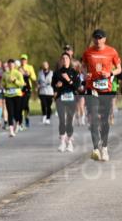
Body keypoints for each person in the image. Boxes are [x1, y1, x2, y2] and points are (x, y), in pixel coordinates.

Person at [81, 28, 121, 161]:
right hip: (92, 89)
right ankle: (95, 149)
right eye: (95, 38)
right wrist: (85, 74)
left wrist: (110, 74)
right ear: (93, 39)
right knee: (93, 118)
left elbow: (119, 68)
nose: (98, 40)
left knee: (104, 121)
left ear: (104, 39)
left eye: (100, 38)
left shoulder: (112, 51)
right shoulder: (88, 52)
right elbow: (82, 66)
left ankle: (104, 147)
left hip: (106, 90)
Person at [52, 52, 80, 152]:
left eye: (66, 58)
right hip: (60, 98)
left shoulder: (74, 72)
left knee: (69, 120)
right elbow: (53, 85)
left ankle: (70, 142)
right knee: (62, 120)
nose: (65, 60)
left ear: (69, 60)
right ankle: (62, 143)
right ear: (61, 60)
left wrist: (68, 80)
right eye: (63, 58)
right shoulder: (57, 73)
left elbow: (76, 86)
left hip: (71, 98)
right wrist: (56, 86)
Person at [1, 60, 26, 137]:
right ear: (8, 65)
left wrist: (15, 81)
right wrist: (4, 85)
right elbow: (3, 83)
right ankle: (11, 130)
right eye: (9, 65)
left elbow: (22, 84)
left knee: (17, 112)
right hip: (8, 95)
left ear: (14, 65)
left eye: (12, 64)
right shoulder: (5, 74)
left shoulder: (18, 73)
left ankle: (17, 123)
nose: (11, 66)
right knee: (10, 112)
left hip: (17, 94)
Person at [20, 54, 36, 129]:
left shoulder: (30, 67)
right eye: (22, 59)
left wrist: (28, 74)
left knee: (25, 105)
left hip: (27, 88)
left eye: (24, 59)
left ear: (26, 60)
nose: (23, 61)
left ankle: (26, 119)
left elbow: (34, 78)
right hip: (20, 89)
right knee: (21, 105)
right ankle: (21, 120)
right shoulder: (18, 68)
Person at [38, 61, 55, 125]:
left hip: (50, 92)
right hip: (42, 91)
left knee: (49, 106)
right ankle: (44, 115)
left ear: (48, 66)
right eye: (43, 65)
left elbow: (54, 81)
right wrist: (38, 85)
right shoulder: (40, 73)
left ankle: (48, 118)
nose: (45, 66)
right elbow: (38, 81)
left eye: (46, 65)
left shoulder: (52, 73)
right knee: (43, 104)